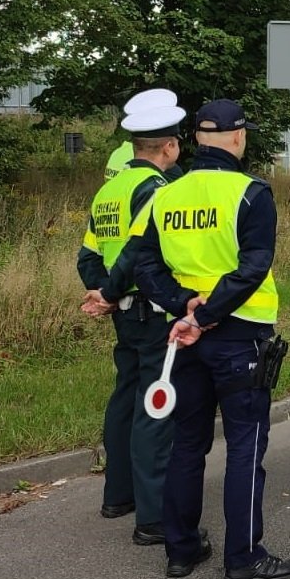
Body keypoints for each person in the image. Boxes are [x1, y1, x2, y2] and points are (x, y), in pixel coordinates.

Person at [133, 99, 290, 579]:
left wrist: (185, 306)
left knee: (188, 443)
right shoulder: (251, 192)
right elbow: (252, 268)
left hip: (182, 338)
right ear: (238, 137)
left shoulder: (164, 196)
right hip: (239, 336)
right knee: (246, 446)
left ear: (193, 140)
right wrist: (205, 314)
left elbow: (145, 266)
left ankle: (181, 550)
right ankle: (244, 559)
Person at [76, 91, 186, 546]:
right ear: (169, 147)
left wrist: (101, 292)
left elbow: (87, 254)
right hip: (150, 310)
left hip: (123, 312)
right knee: (155, 408)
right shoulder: (158, 191)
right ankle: (154, 517)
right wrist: (112, 290)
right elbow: (142, 254)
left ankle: (117, 495)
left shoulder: (109, 190)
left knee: (124, 399)